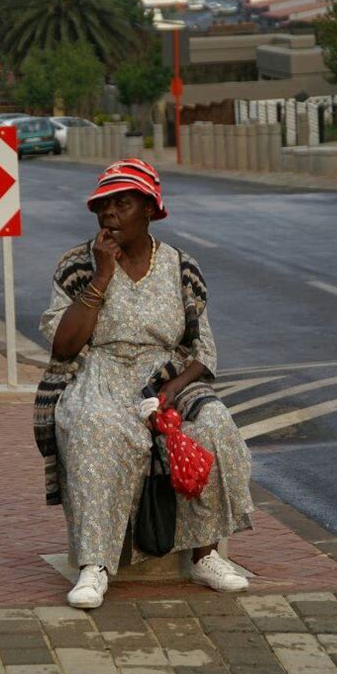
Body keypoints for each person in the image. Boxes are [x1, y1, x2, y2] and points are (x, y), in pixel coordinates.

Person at [34, 159, 254, 609]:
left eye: (123, 202)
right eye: (103, 205)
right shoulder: (78, 265)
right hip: (101, 373)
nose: (110, 213)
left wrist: (167, 396)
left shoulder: (181, 267)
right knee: (97, 428)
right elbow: (64, 346)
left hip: (167, 377)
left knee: (213, 425)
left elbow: (202, 353)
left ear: (150, 209)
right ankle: (95, 564)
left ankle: (206, 554)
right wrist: (101, 276)